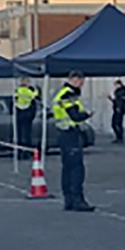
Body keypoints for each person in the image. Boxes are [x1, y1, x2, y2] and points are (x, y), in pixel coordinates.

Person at [53, 71, 94, 212]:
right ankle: (77, 200)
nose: (82, 84)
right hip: (70, 133)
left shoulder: (63, 93)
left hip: (63, 133)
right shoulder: (68, 95)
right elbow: (75, 115)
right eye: (81, 81)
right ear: (74, 79)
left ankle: (69, 200)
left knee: (67, 168)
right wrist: (86, 115)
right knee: (76, 168)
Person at [14, 78, 39, 154]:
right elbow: (35, 96)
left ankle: (19, 151)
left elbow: (14, 98)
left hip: (19, 112)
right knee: (27, 133)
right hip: (27, 112)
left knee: (19, 133)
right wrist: (36, 89)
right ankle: (26, 151)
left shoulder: (17, 90)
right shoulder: (29, 91)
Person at [108, 79, 125, 143]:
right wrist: (111, 99)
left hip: (119, 109)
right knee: (116, 124)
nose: (115, 86)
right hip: (117, 108)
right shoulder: (120, 92)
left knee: (116, 123)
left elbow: (120, 101)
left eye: (116, 85)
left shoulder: (121, 91)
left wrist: (118, 107)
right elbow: (117, 101)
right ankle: (119, 137)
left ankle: (119, 137)